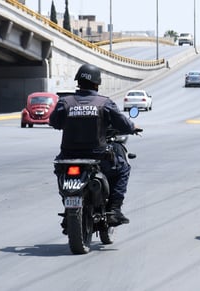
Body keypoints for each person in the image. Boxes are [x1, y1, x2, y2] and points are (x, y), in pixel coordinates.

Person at [50, 63, 142, 227]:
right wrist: (133, 127)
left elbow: (54, 122)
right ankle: (114, 209)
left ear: (78, 81)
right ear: (96, 83)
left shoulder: (65, 102)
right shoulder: (104, 103)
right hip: (98, 158)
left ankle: (68, 207)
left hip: (68, 158)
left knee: (60, 173)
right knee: (123, 169)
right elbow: (124, 125)